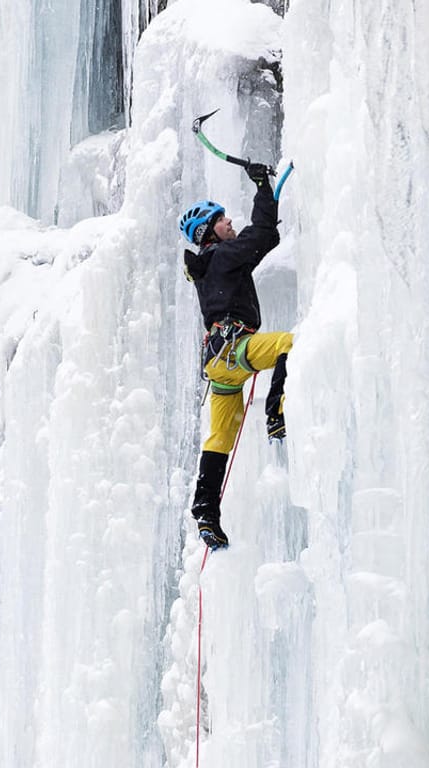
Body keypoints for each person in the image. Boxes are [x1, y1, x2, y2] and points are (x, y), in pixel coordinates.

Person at [180, 162, 292, 550]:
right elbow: (262, 237)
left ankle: (205, 510)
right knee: (288, 345)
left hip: (218, 365)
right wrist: (263, 187)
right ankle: (276, 414)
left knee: (220, 436)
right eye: (223, 220)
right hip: (236, 349)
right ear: (209, 231)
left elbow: (254, 247)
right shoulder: (223, 257)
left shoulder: (208, 266)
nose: (230, 223)